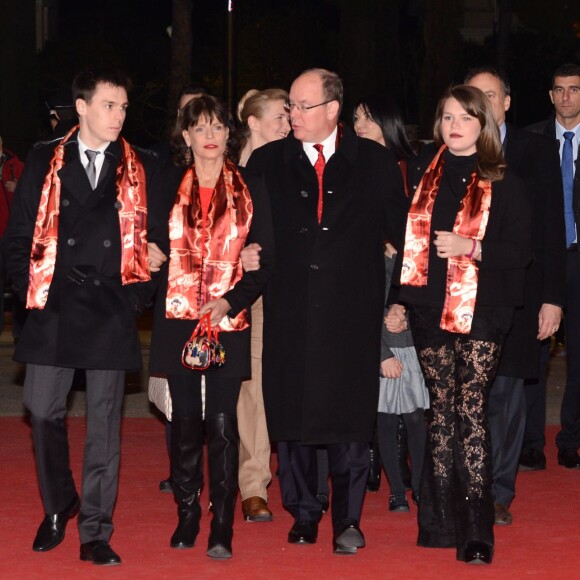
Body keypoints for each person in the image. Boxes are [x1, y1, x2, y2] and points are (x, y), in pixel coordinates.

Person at [246, 68, 407, 555]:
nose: (291, 115)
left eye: (301, 106)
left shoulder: (374, 161)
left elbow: (405, 239)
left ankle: (349, 518)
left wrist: (398, 297)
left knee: (350, 420)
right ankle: (303, 512)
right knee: (292, 416)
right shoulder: (268, 162)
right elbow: (245, 230)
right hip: (289, 307)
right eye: (290, 106)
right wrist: (245, 253)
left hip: (351, 312)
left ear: (332, 110)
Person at [3, 67, 159, 566]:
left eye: (124, 107)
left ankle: (95, 530)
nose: (119, 116)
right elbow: (19, 233)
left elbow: (157, 238)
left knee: (104, 427)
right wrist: (27, 293)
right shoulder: (45, 157)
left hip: (110, 309)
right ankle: (58, 503)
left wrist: (138, 296)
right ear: (83, 107)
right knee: (42, 409)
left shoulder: (139, 165)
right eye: (110, 106)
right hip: (54, 306)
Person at [388, 85, 531, 564]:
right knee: (440, 411)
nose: (454, 125)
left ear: (483, 125)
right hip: (429, 305)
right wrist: (398, 301)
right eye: (447, 116)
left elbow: (520, 253)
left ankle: (477, 529)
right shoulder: (424, 175)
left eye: (465, 118)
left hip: (486, 306)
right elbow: (406, 246)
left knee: (470, 410)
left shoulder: (505, 179)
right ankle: (439, 520)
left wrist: (472, 248)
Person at [147, 94, 274, 559]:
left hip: (228, 318)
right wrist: (151, 255)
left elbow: (265, 261)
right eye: (199, 128)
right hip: (177, 320)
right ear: (186, 136)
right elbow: (146, 244)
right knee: (184, 424)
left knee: (221, 425)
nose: (209, 137)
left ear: (229, 134)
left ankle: (222, 520)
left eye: (218, 128)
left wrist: (230, 300)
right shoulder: (164, 184)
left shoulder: (251, 186)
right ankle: (187, 513)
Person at [465, 67, 566, 522]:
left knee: (506, 394)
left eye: (492, 94)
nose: (484, 103)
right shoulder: (455, 147)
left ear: (507, 101)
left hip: (521, 295)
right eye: (476, 95)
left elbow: (550, 229)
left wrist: (552, 297)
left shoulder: (537, 149)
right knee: (469, 395)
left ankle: (499, 490)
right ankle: (468, 484)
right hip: (466, 296)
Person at [353, 96, 428, 511]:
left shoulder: (412, 168)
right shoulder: (353, 164)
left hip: (405, 287)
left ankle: (407, 478)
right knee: (380, 399)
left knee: (410, 403)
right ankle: (377, 467)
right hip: (368, 285)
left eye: (367, 117)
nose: (359, 124)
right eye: (357, 119)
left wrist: (399, 300)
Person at [233, 88, 290, 522]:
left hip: (292, 291)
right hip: (248, 295)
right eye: (278, 117)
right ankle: (254, 484)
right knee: (252, 389)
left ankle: (292, 473)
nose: (287, 125)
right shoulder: (232, 174)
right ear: (252, 123)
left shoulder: (292, 169)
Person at [149, 84, 208, 495]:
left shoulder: (233, 179)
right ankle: (182, 471)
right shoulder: (162, 173)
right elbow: (150, 231)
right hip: (174, 295)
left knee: (217, 396)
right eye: (189, 116)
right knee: (177, 391)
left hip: (219, 300)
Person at [527, 62, 580, 469]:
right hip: (543, 260)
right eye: (559, 89)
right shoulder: (530, 141)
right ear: (550, 95)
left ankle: (570, 439)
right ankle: (530, 444)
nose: (566, 97)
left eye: (574, 89)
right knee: (535, 352)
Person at [0, 135, 24, 337]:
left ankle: (20, 334)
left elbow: (32, 198)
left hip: (14, 235)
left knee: (18, 285)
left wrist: (17, 189)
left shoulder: (17, 166)